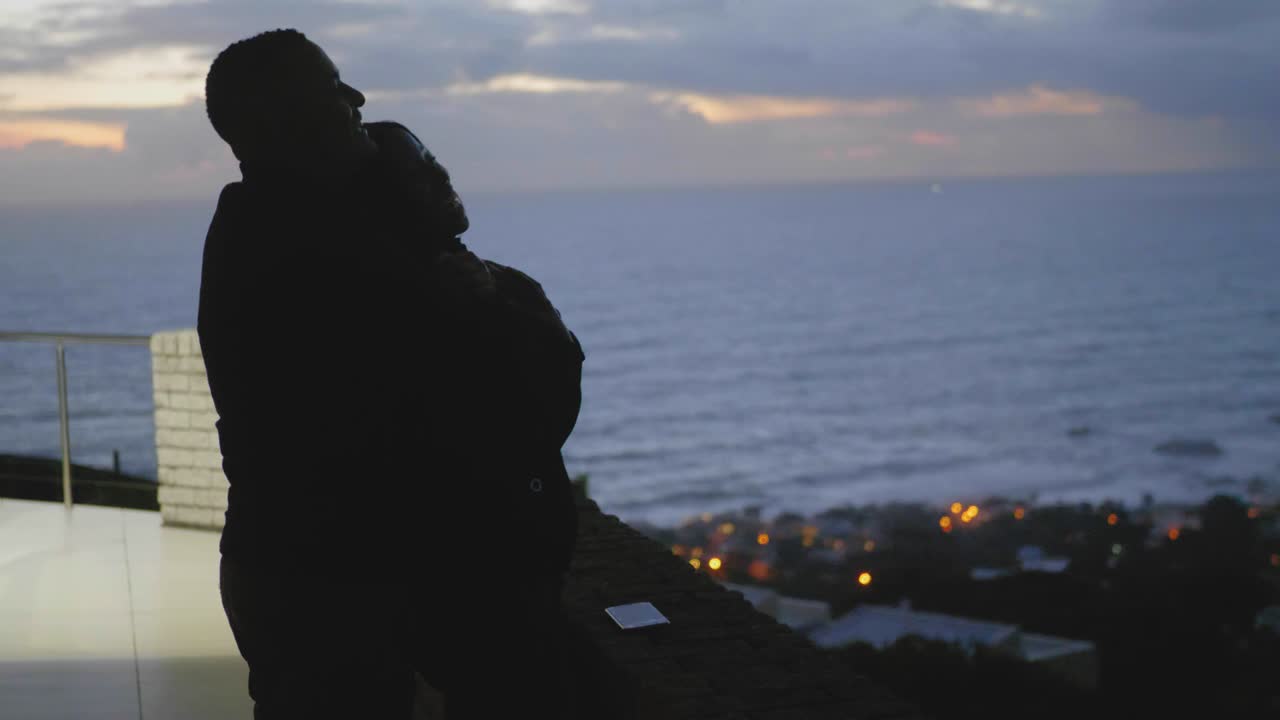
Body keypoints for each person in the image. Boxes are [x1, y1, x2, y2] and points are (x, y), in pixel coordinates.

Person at [197, 29, 582, 719]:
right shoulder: (311, 257)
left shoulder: (271, 232)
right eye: (331, 86)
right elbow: (503, 405)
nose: (356, 98)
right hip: (325, 589)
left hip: (312, 578)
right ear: (281, 118)